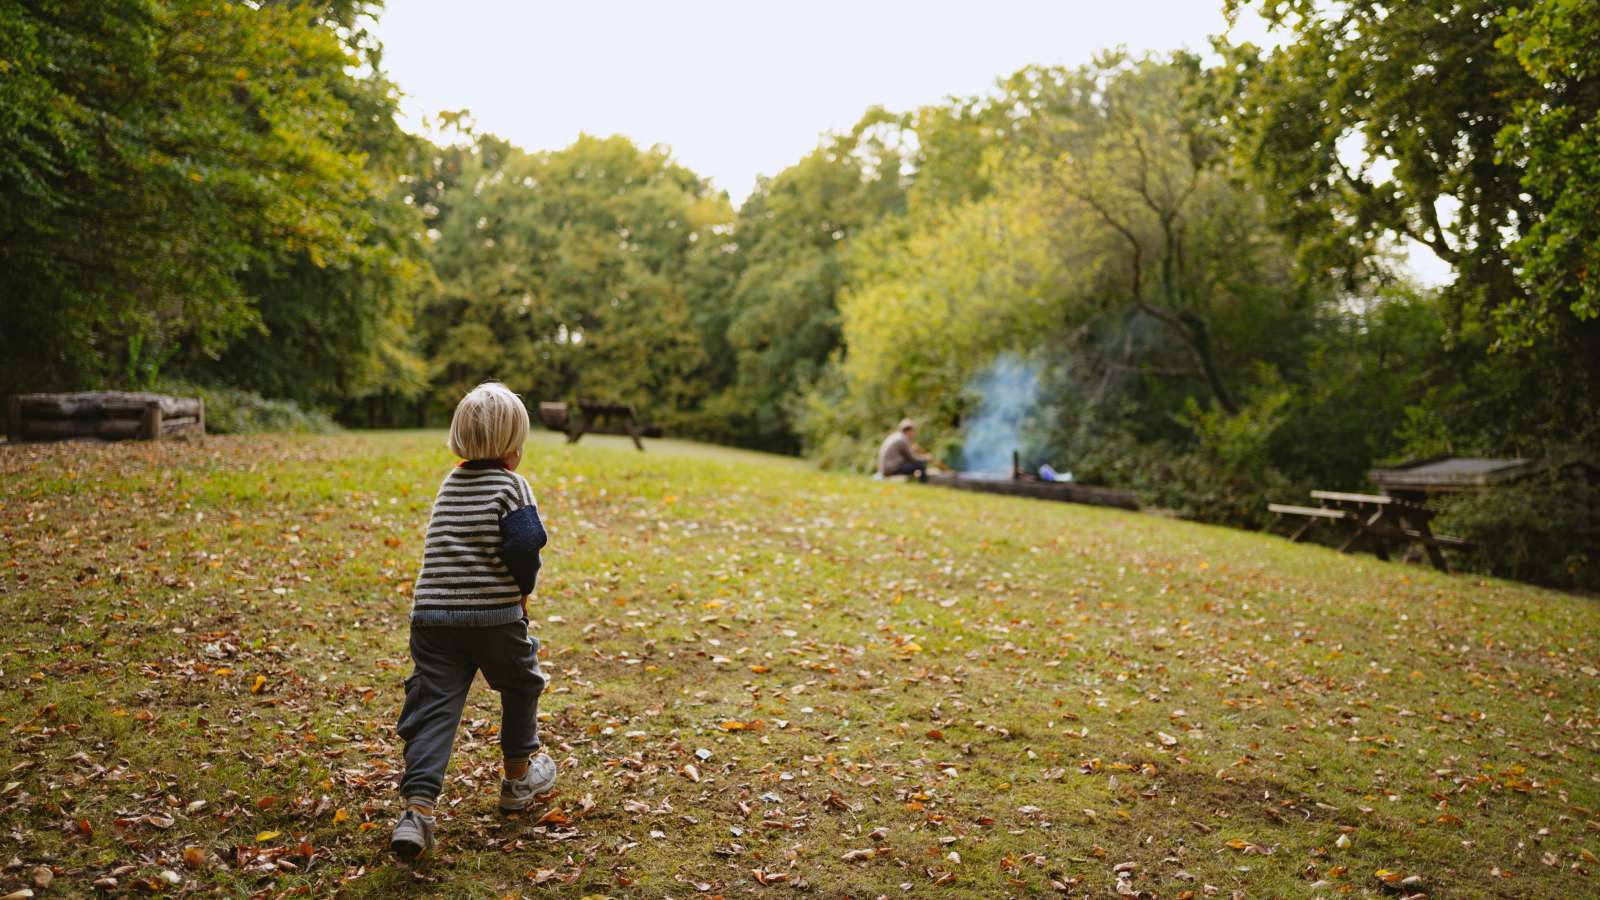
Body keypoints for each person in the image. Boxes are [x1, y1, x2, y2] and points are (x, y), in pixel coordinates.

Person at [390, 382, 554, 861]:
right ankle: (518, 781)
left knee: (434, 708)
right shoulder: (511, 484)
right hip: (494, 616)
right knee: (521, 683)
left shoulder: (450, 483)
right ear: (512, 447)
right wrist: (524, 588)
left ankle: (417, 811)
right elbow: (526, 543)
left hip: (433, 618)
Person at [878, 418, 931, 482]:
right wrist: (926, 458)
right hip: (891, 469)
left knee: (914, 466)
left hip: (886, 468)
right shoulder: (902, 440)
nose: (914, 434)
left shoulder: (897, 436)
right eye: (914, 431)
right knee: (921, 465)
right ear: (910, 431)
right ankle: (925, 484)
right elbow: (912, 458)